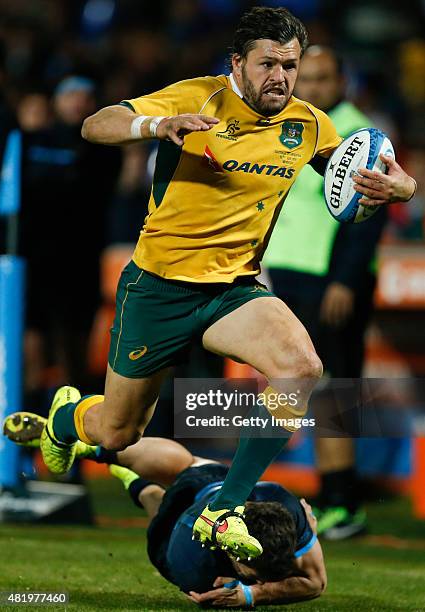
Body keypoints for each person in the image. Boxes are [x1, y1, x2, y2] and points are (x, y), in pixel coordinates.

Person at [34, 6, 416, 560]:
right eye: (267, 64)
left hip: (232, 290)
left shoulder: (309, 123)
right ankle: (69, 415)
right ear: (237, 62)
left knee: (302, 368)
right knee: (117, 433)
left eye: (290, 64)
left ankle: (224, 509)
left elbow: (360, 173)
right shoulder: (199, 97)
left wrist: (400, 187)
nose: (280, 77)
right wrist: (156, 125)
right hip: (159, 289)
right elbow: (97, 124)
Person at [4, 411, 326, 606]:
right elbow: (313, 583)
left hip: (202, 501)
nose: (259, 580)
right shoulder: (200, 567)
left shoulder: (285, 510)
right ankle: (109, 459)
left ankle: (107, 457)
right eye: (256, 575)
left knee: (178, 478)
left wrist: (252, 593)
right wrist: (253, 594)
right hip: (192, 513)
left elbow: (316, 583)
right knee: (171, 492)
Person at [263, 46, 386, 539]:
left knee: (335, 387)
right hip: (287, 274)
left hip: (330, 278)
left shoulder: (360, 135)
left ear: (342, 80)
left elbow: (369, 216)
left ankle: (343, 501)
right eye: (302, 77)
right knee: (303, 387)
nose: (309, 87)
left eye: (320, 78)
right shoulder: (297, 126)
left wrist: (345, 280)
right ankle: (323, 491)